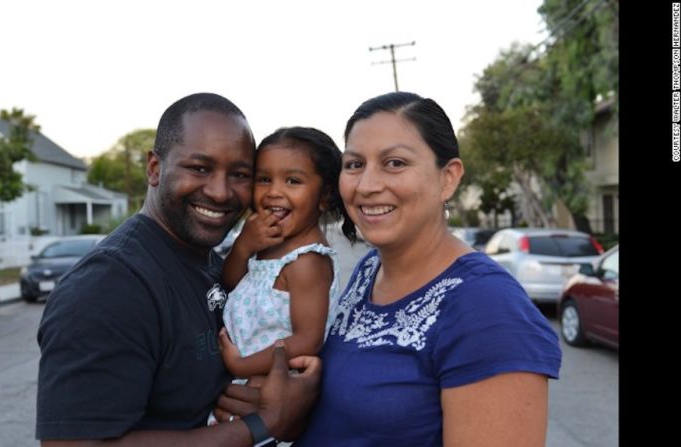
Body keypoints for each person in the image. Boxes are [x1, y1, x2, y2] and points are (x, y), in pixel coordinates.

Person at [35, 93, 321, 446]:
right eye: (199, 168)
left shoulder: (215, 264)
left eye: (240, 174)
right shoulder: (108, 286)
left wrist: (272, 404)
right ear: (155, 169)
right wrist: (265, 424)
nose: (220, 192)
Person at [293, 91, 563, 446]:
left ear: (448, 178)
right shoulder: (369, 271)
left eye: (395, 163)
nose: (367, 186)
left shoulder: (488, 309)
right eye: (355, 164)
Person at [212, 127, 354, 415]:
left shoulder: (307, 262)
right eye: (264, 179)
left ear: (324, 195)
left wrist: (240, 364)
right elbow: (229, 283)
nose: (274, 192)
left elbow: (307, 340)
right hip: (241, 385)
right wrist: (243, 247)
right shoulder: (265, 245)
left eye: (293, 181)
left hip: (271, 394)